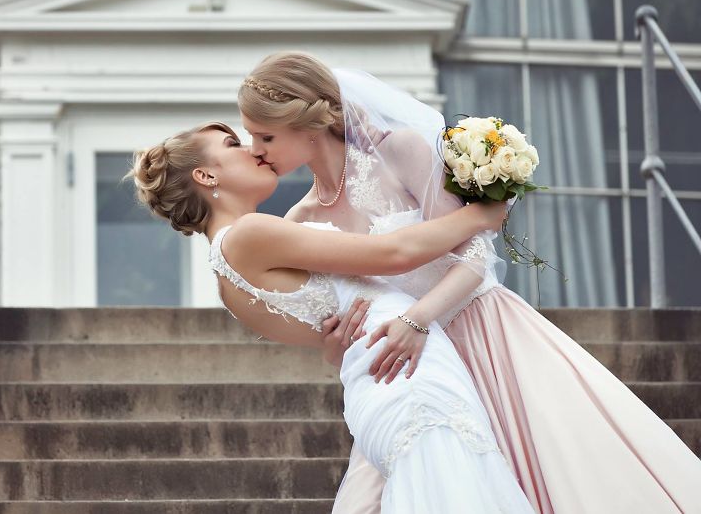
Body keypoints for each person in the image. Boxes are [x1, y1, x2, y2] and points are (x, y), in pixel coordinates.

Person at [237, 51, 701, 513]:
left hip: (482, 332)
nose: (256, 149)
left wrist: (416, 321)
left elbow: (475, 255)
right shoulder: (300, 220)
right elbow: (332, 321)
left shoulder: (400, 151)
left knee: (547, 472)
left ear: (309, 125)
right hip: (406, 372)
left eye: (266, 136)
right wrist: (336, 344)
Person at [127, 121, 532, 512]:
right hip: (410, 367)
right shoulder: (249, 233)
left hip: (376, 375)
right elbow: (393, 254)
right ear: (205, 175)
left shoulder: (226, 282)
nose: (253, 150)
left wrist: (336, 348)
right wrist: (479, 215)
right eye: (233, 145)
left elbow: (331, 340)